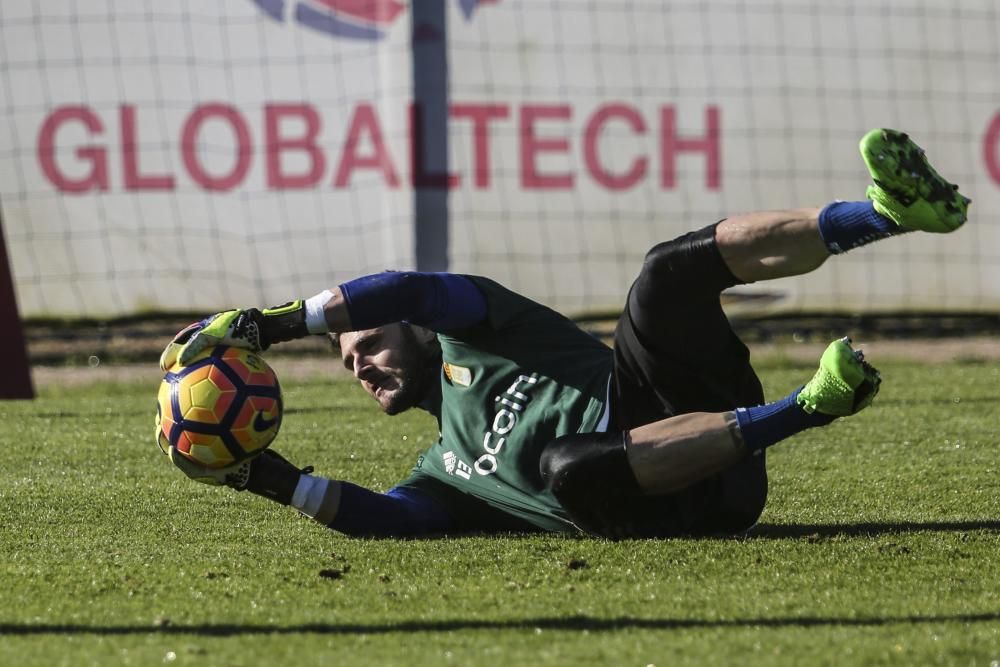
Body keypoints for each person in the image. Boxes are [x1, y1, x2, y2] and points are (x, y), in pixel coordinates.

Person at [159, 128, 970, 539]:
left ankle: (887, 214)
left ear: (414, 330)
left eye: (366, 342)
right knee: (565, 465)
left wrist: (278, 323)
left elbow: (406, 285)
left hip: (673, 400)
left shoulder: (484, 325)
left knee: (660, 275)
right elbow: (389, 521)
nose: (359, 363)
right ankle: (814, 406)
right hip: (680, 503)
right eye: (345, 363)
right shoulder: (443, 472)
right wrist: (257, 479)